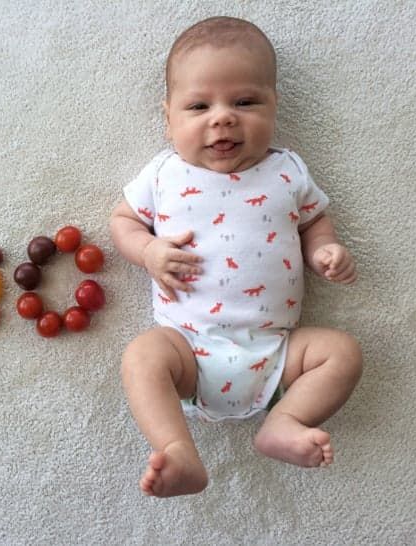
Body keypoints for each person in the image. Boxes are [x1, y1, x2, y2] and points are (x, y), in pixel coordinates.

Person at [109, 16, 363, 498]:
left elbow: (313, 221)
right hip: (187, 349)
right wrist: (148, 251)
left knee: (343, 352)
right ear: (169, 119)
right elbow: (123, 221)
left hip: (277, 352)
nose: (222, 118)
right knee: (142, 356)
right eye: (199, 105)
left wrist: (326, 251)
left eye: (245, 102)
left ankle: (285, 420)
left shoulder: (286, 171)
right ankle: (177, 447)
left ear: (274, 106)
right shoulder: (164, 173)